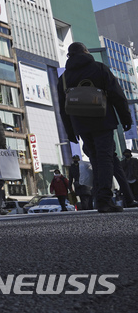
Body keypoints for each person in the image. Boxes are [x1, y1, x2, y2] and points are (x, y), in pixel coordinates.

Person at [57, 42, 133, 213]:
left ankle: (101, 198)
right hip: (102, 120)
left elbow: (63, 108)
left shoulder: (63, 78)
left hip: (81, 125)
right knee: (105, 158)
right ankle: (104, 200)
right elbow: (117, 94)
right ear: (85, 51)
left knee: (96, 160)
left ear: (69, 56)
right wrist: (125, 117)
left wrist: (70, 132)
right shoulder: (99, 68)